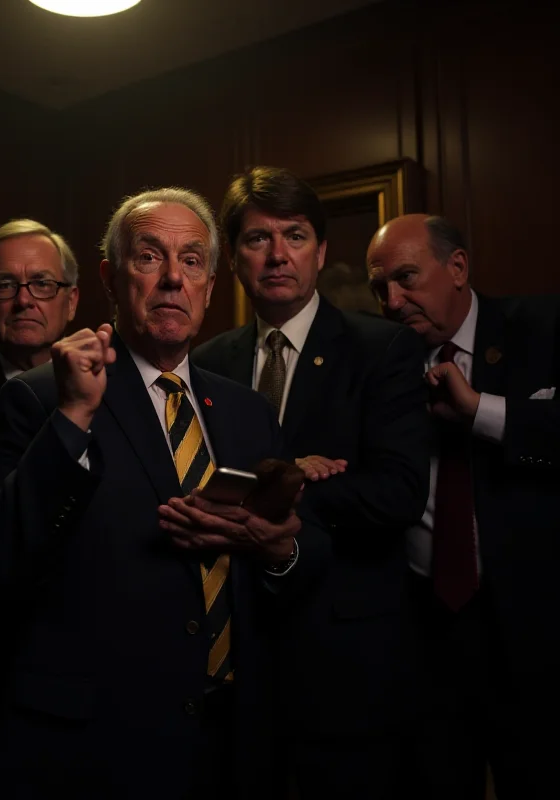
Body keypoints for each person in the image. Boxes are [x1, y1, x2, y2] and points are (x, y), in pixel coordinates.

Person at [0, 187, 311, 799]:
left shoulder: (247, 413)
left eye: (192, 260)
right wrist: (74, 416)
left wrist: (281, 551)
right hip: (98, 747)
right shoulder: (44, 396)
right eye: (150, 257)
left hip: (230, 742)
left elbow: (286, 574)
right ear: (109, 276)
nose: (173, 280)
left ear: (211, 281)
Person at [193, 166, 431, 800]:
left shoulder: (382, 350)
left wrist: (288, 490)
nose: (277, 256)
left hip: (345, 650)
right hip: (232, 642)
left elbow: (401, 490)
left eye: (294, 236)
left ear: (321, 252)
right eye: (256, 239)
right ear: (233, 259)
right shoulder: (206, 360)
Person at [367, 214, 560, 800]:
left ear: (457, 268)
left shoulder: (543, 328)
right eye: (381, 289)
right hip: (425, 630)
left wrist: (480, 410)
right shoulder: (384, 360)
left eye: (405, 279)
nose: (394, 302)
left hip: (534, 630)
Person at [0, 219, 80, 386]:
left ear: (71, 302)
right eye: (5, 285)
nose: (23, 300)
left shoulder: (104, 387)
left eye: (42, 284)